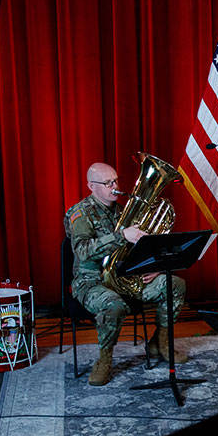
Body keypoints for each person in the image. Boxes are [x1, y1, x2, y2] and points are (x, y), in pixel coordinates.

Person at [64, 162, 188, 387]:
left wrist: (151, 266)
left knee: (174, 284)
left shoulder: (122, 211)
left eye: (116, 181)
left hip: (124, 277)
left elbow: (137, 249)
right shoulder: (80, 213)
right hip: (91, 281)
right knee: (113, 305)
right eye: (107, 183)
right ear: (91, 186)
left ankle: (160, 342)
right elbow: (82, 250)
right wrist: (122, 235)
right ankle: (104, 359)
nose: (115, 186)